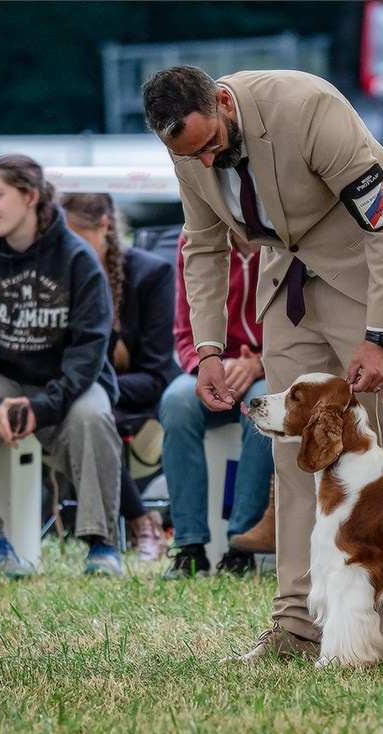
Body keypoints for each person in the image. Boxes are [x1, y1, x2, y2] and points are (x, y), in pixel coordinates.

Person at [142, 65, 383, 662]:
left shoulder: (309, 108)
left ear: (226, 104)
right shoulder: (187, 147)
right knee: (294, 453)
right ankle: (297, 625)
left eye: (210, 146)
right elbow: (204, 246)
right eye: (189, 156)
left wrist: (380, 337)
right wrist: (208, 349)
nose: (205, 163)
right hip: (288, 283)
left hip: (373, 271)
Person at [0, 154, 124, 578]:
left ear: (31, 196)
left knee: (94, 415)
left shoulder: (78, 261)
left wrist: (42, 409)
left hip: (69, 383)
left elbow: (88, 355)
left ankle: (101, 542)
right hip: (2, 380)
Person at [60, 192, 179, 562]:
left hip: (143, 392)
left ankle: (142, 521)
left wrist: (89, 385)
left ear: (103, 228)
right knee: (81, 410)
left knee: (91, 413)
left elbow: (157, 374)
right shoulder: (62, 278)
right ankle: (139, 521)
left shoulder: (151, 274)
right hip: (80, 394)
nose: (65, 251)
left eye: (72, 239)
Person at [159, 231, 274, 579]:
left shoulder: (287, 235)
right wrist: (209, 367)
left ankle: (240, 545)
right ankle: (190, 546)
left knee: (264, 404)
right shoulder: (197, 237)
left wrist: (258, 363)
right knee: (177, 401)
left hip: (270, 366)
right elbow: (184, 330)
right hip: (211, 364)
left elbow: (305, 328)